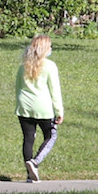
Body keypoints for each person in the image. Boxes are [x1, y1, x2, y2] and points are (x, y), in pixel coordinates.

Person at [15, 34, 63, 182]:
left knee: (29, 138)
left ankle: (30, 174)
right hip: (43, 107)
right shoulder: (49, 66)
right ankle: (34, 162)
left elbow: (18, 87)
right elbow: (55, 90)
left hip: (24, 107)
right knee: (50, 135)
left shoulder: (23, 65)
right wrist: (59, 111)